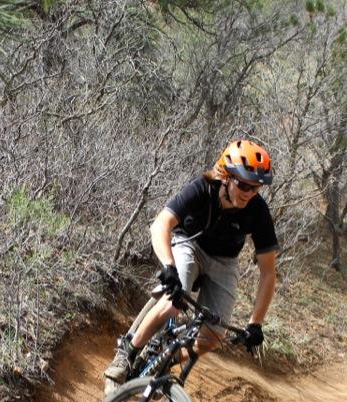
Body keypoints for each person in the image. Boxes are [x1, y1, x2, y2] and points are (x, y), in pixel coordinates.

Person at [104, 138, 278, 383]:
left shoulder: (258, 210)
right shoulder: (201, 188)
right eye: (243, 184)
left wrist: (256, 324)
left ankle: (165, 358)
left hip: (224, 261)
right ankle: (128, 352)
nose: (249, 193)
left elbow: (268, 272)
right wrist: (168, 267)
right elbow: (161, 224)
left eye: (256, 187)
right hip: (189, 244)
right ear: (226, 176)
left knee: (214, 336)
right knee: (173, 301)